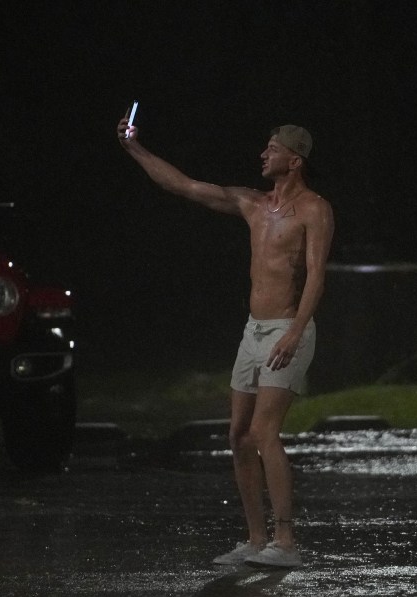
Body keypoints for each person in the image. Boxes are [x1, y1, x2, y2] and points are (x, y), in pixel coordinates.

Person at [117, 114, 334, 569]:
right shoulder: (252, 203)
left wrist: (295, 332)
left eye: (272, 149)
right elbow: (182, 185)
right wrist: (135, 148)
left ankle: (286, 543)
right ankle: (255, 541)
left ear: (294, 160)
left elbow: (316, 275)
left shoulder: (315, 209)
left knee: (263, 432)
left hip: (286, 330)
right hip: (253, 331)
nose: (263, 154)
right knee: (238, 434)